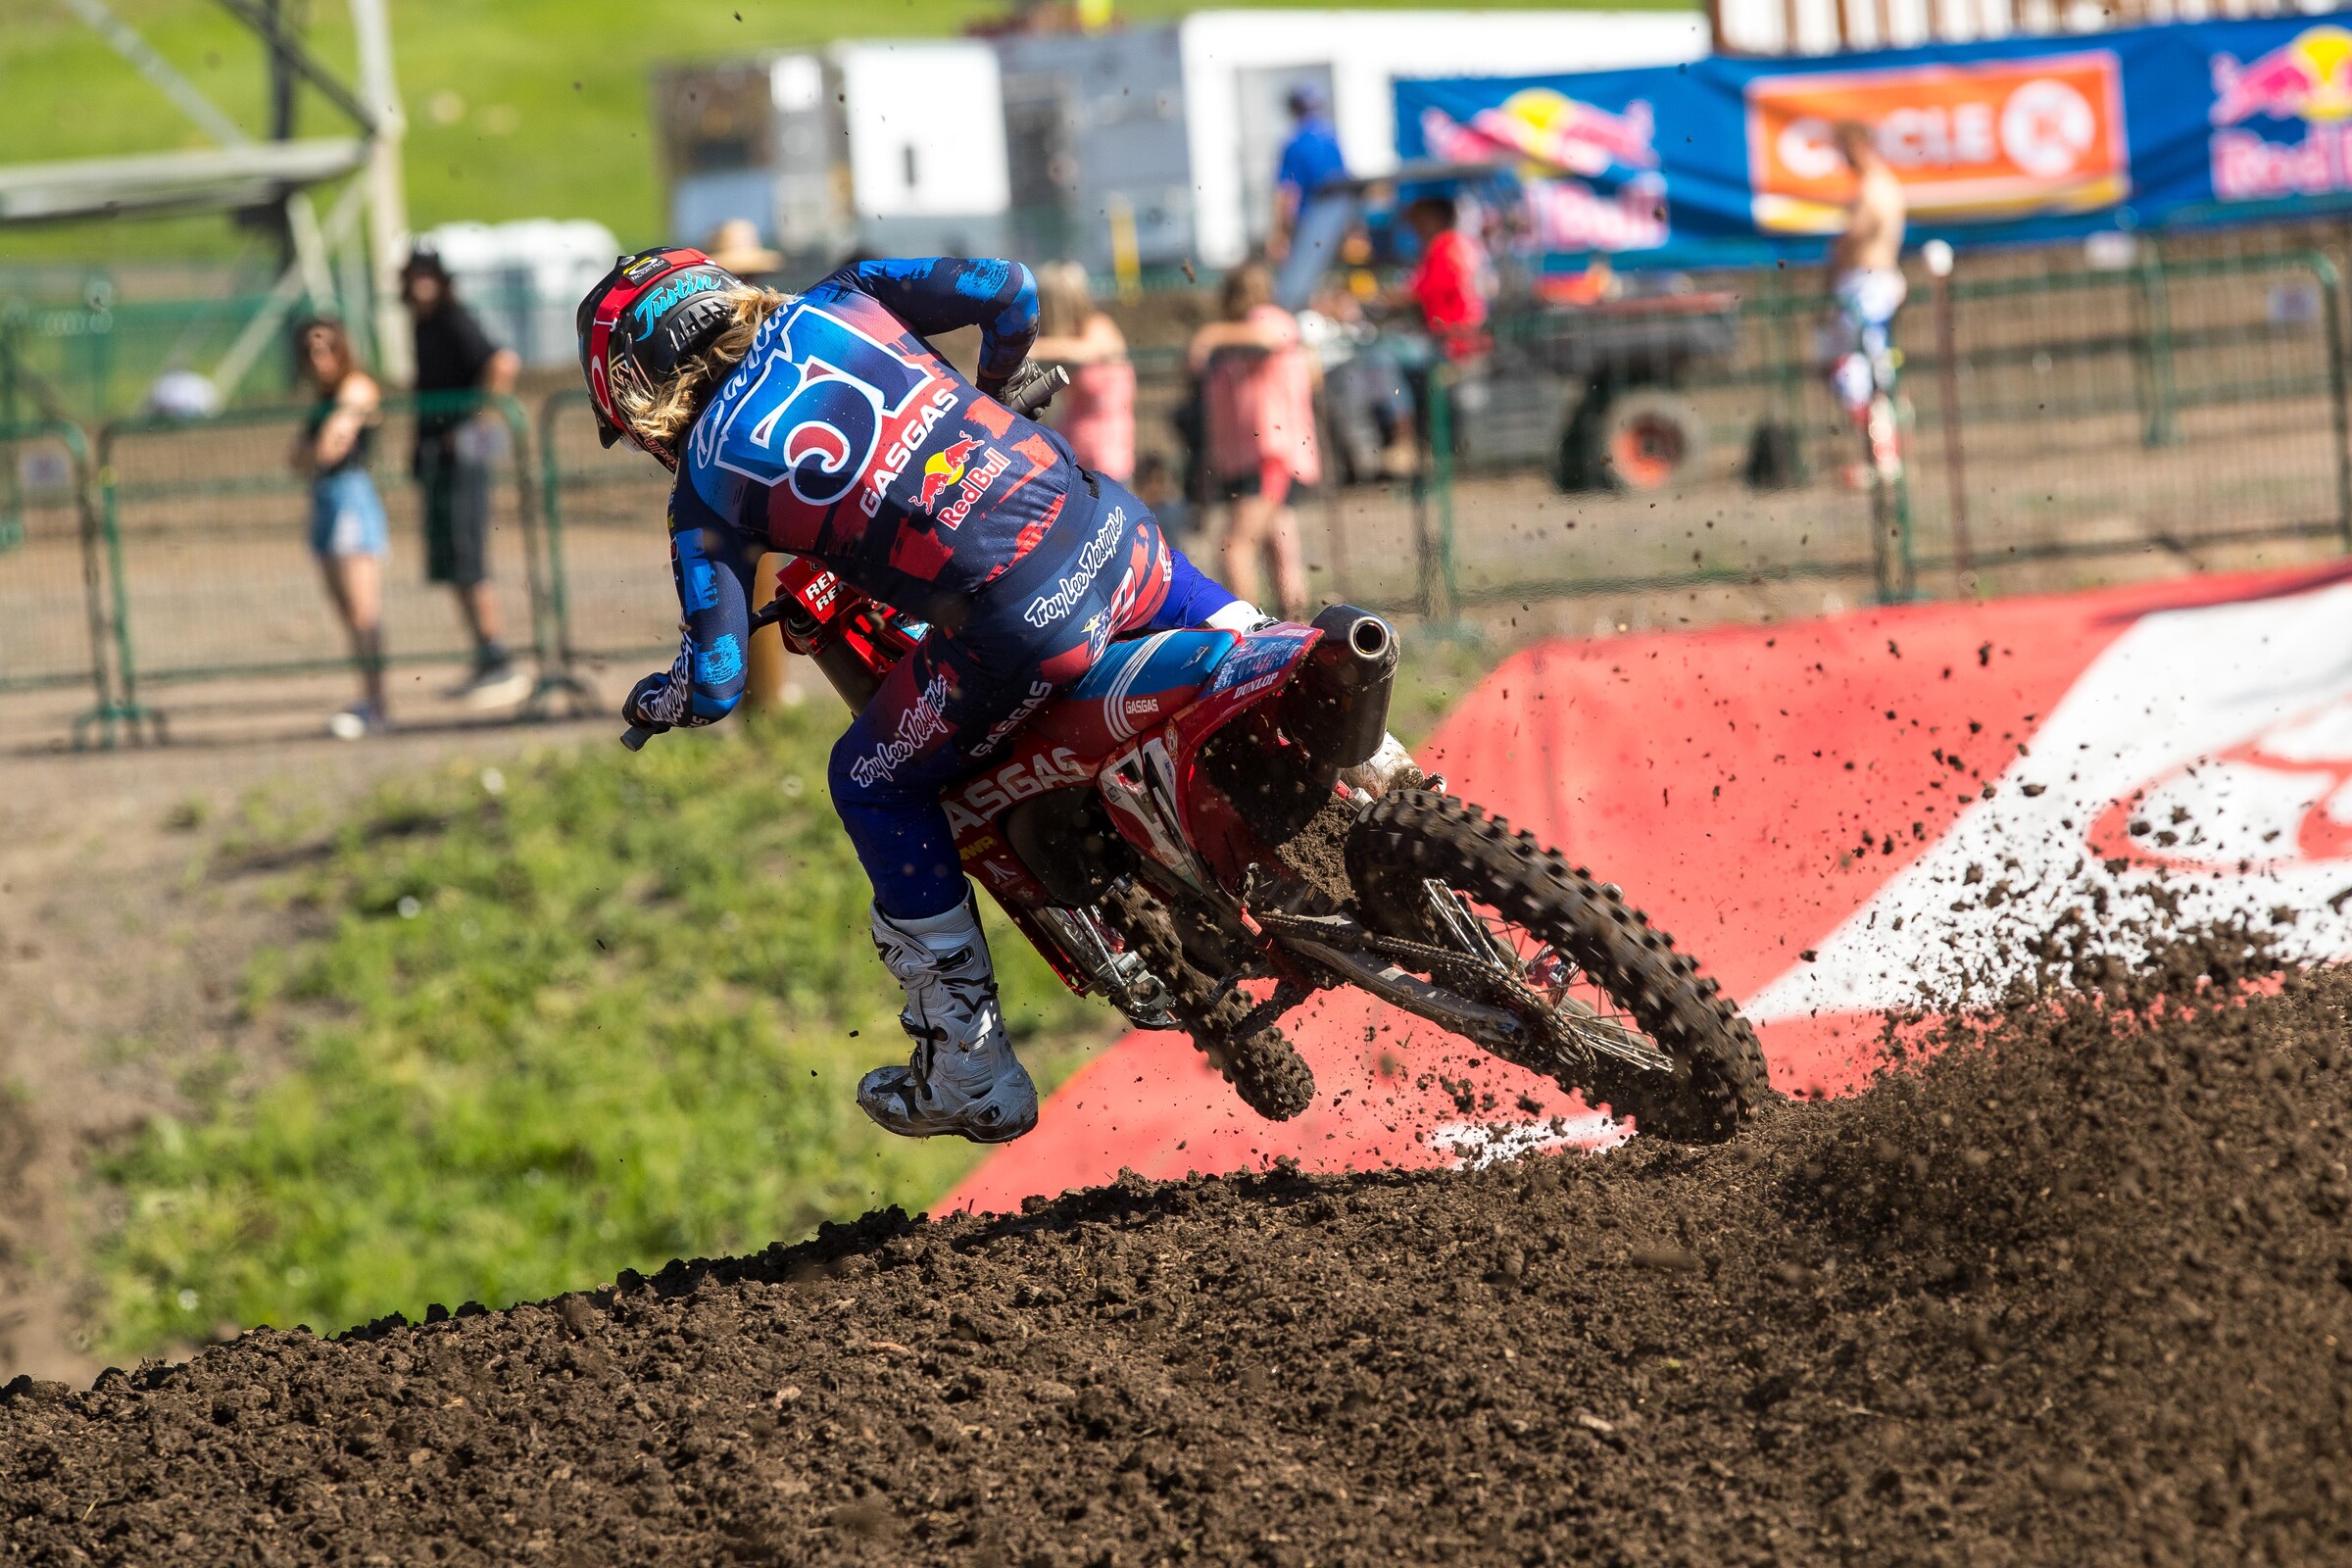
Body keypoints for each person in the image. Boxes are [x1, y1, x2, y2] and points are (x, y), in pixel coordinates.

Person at [578, 249, 1283, 1145]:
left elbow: (717, 681)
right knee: (1250, 636)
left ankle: (971, 1068)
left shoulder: (704, 491)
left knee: (868, 780)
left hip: (1017, 626)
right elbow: (1012, 287)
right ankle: (1377, 770)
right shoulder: (849, 295)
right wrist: (991, 390)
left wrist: (660, 699)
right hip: (1111, 526)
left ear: (638, 391)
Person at [402, 246, 530, 707]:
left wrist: (475, 422)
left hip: (464, 458)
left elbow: (502, 362)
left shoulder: (454, 318)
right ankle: (484, 656)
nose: (420, 284)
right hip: (438, 458)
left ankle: (497, 659)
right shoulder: (424, 323)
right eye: (414, 275)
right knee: (454, 559)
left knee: (468, 554)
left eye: (427, 275)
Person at [1188, 260, 1319, 621]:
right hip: (1248, 457)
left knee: (1235, 547)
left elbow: (1268, 337)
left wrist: (1211, 335)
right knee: (1280, 546)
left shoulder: (1267, 320)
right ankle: (1298, 634)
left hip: (1269, 454)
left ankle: (1249, 635)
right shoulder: (1236, 339)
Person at [289, 318, 391, 739]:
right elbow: (298, 458)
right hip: (325, 497)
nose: (319, 358)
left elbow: (332, 445)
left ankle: (377, 703)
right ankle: (369, 698)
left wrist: (316, 451)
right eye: (311, 350)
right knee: (347, 611)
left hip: (350, 496)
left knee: (362, 608)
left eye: (327, 347)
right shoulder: (323, 397)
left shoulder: (357, 387)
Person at [1825, 120, 1907, 430]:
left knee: (1863, 363)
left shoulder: (1874, 186)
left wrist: (1838, 249)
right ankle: (1876, 442)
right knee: (1860, 361)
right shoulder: (1876, 184)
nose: (1843, 158)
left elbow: (1860, 232)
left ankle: (1882, 442)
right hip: (1867, 281)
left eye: (1845, 149)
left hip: (1869, 282)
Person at [1028, 261, 1135, 483]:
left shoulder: (1098, 326)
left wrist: (1035, 348)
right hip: (1073, 445)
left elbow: (1089, 350)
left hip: (1109, 450)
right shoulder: (1064, 337)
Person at [1270, 84, 1353, 312]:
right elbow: (1346, 183)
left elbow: (1288, 192)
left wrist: (1281, 233)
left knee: (1296, 290)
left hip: (1312, 222)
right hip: (1339, 218)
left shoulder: (1294, 143)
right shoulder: (1331, 138)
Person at [1398, 194, 1490, 362]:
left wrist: (1380, 299)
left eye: (1419, 219)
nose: (1415, 226)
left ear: (1435, 217)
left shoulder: (1444, 246)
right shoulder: (1460, 243)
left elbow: (1419, 292)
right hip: (1463, 338)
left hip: (1457, 343)